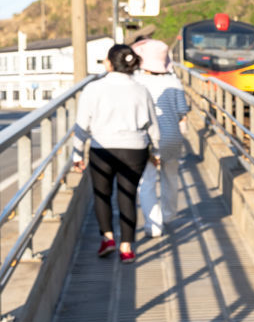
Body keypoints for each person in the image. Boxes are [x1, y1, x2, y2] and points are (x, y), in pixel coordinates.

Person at [71, 44, 161, 263]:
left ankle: (108, 238)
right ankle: (127, 247)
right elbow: (153, 127)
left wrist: (77, 153)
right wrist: (156, 151)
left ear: (109, 63)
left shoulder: (94, 88)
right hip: (135, 149)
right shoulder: (141, 90)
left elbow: (82, 124)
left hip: (103, 149)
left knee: (102, 194)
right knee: (127, 196)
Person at [131, 38, 189, 237]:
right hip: (172, 137)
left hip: (148, 140)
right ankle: (168, 215)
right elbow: (182, 111)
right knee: (170, 177)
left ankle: (154, 225)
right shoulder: (174, 81)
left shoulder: (138, 82)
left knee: (146, 182)